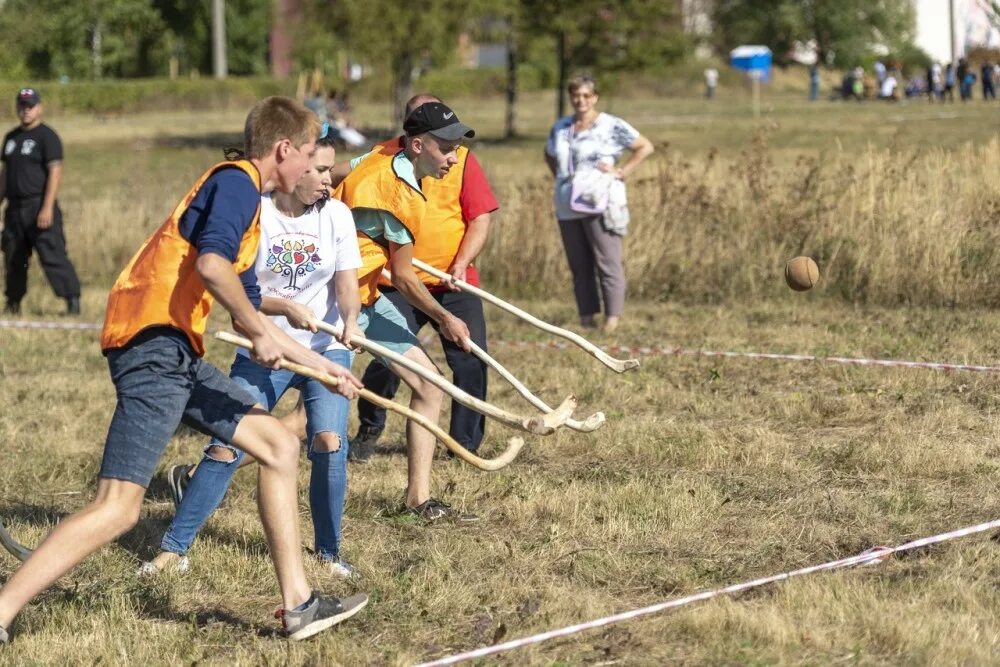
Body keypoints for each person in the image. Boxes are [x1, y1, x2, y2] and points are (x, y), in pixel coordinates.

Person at [0, 97, 368, 645]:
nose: (322, 170)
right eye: (313, 155)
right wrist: (260, 332)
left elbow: (247, 296)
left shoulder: (247, 209)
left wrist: (326, 368)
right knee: (119, 508)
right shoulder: (237, 182)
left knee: (276, 445)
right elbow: (211, 266)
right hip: (152, 347)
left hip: (178, 354)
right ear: (285, 149)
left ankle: (299, 605)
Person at [145, 128, 365, 578]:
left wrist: (350, 321)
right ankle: (174, 548)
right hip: (263, 346)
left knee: (329, 441)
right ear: (297, 167)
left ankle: (328, 554)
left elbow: (346, 285)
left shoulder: (338, 216)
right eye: (320, 169)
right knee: (226, 445)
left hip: (325, 349)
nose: (329, 178)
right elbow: (239, 291)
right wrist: (283, 306)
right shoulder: (257, 211)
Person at [348, 94, 498, 460]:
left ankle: (462, 448)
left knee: (466, 361)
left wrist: (462, 263)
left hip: (450, 279)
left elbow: (480, 216)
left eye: (454, 143)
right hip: (391, 282)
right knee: (382, 365)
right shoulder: (384, 165)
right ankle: (369, 426)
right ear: (415, 139)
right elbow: (340, 174)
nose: (453, 153)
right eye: (445, 143)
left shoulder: (459, 161)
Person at [544, 75, 653, 333]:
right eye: (575, 95)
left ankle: (612, 319)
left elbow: (644, 147)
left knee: (607, 261)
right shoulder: (560, 127)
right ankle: (586, 316)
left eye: (585, 95)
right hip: (567, 204)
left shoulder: (610, 125)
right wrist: (563, 179)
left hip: (599, 200)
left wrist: (622, 170)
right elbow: (550, 154)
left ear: (594, 97)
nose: (580, 101)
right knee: (579, 263)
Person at [1, 87, 81, 316]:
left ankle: (72, 300)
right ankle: (13, 302)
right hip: (15, 209)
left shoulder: (48, 137)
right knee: (13, 257)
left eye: (30, 105)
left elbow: (55, 172)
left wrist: (47, 207)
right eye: (22, 105)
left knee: (52, 254)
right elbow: (6, 173)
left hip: (39, 206)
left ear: (39, 108)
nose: (25, 110)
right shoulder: (11, 138)